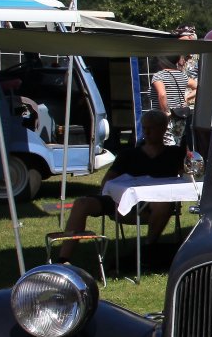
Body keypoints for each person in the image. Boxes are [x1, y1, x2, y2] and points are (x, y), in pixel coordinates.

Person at [58, 110, 184, 261]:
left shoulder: (175, 154)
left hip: (153, 205)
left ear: (163, 129)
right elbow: (107, 181)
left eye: (151, 128)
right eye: (144, 128)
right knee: (81, 203)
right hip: (120, 201)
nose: (147, 132)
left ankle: (148, 249)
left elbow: (188, 176)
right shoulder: (129, 154)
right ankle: (63, 259)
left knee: (163, 203)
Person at [151, 54, 192, 146]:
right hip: (179, 116)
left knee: (165, 145)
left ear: (163, 61)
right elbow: (197, 86)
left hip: (164, 117)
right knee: (176, 143)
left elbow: (162, 94)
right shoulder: (182, 75)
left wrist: (166, 112)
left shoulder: (158, 76)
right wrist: (187, 97)